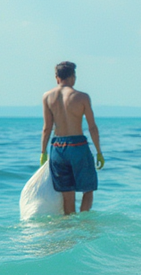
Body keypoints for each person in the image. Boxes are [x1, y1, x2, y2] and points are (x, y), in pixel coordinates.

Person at [41, 61, 104, 215]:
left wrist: (43, 152)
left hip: (57, 148)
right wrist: (99, 152)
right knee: (88, 189)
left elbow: (47, 128)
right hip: (78, 146)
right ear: (73, 77)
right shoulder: (82, 97)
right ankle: (83, 226)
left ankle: (70, 231)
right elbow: (92, 127)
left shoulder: (47, 96)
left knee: (67, 194)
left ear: (57, 77)